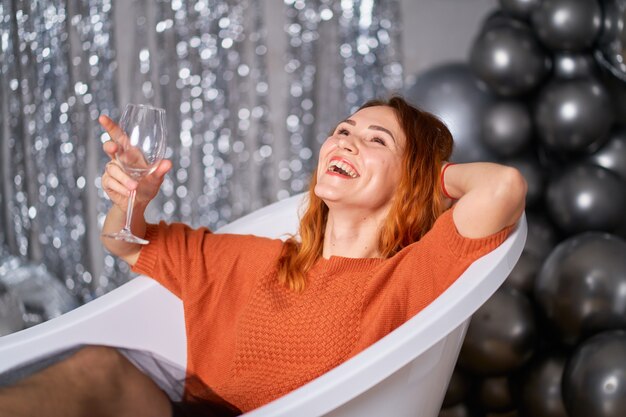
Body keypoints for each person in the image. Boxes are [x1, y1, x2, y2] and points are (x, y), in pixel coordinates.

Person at [0, 96, 526, 417]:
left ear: (409, 176)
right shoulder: (255, 261)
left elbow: (502, 187)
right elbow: (125, 243)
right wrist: (130, 199)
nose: (345, 141)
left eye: (376, 140)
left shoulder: (407, 277)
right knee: (94, 368)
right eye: (343, 130)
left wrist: (427, 178)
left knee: (97, 372)